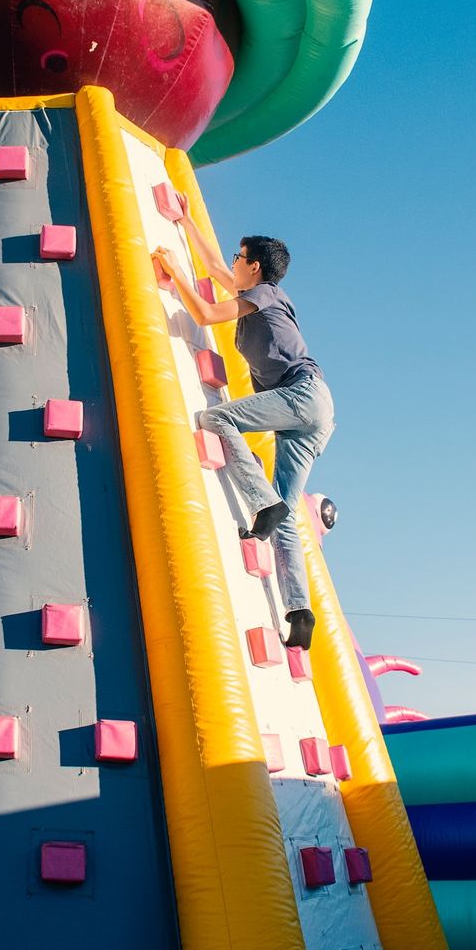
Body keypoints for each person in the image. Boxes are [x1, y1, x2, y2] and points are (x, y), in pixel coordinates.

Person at [153, 218, 334, 651]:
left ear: (253, 267)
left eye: (240, 257)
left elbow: (206, 313)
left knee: (217, 419)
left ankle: (262, 503)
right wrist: (185, 220)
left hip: (301, 395)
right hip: (315, 413)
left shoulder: (264, 294)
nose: (232, 262)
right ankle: (299, 611)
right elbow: (215, 264)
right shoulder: (257, 292)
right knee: (286, 519)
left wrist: (174, 269)